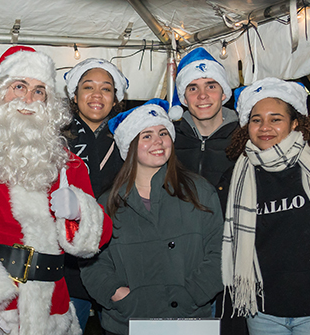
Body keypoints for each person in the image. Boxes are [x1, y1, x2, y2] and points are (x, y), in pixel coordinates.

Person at [0, 46, 113, 335]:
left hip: (52, 311)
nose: (29, 98)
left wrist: (81, 211)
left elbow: (101, 235)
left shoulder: (67, 161)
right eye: (20, 86)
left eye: (40, 90)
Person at [80, 100, 224, 335]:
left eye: (163, 133)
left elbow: (220, 251)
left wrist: (194, 294)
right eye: (146, 135)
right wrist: (118, 295)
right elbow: (93, 263)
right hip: (128, 322)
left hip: (189, 320)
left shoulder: (200, 191)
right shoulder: (107, 203)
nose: (158, 141)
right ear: (130, 145)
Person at [221, 77, 310, 334]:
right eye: (256, 119)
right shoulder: (236, 177)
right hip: (263, 310)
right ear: (246, 126)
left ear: (295, 123)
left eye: (276, 119)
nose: (265, 127)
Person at [61, 57, 128, 330]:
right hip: (67, 265)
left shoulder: (130, 139)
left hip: (119, 261)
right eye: (88, 87)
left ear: (116, 98)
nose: (97, 95)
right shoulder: (55, 139)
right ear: (75, 96)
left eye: (106, 88)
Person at [171, 47, 240, 188]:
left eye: (211, 87)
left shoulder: (243, 139)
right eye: (193, 88)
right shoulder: (169, 139)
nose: (202, 95)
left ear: (223, 94)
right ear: (184, 99)